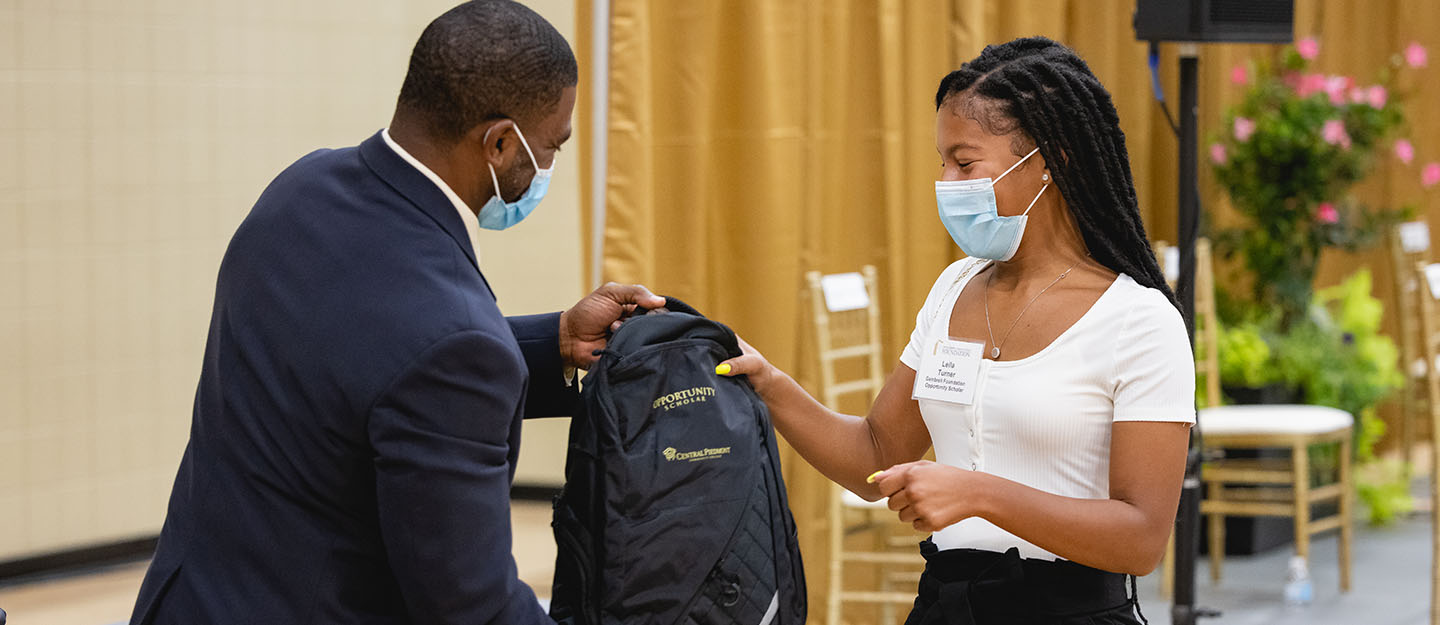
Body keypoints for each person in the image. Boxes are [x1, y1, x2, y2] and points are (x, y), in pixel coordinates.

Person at [128, 2, 665, 624]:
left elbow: (369, 363)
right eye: (552, 146)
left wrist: (561, 340)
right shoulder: (454, 342)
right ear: (498, 143)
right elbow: (471, 607)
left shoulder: (300, 190)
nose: (547, 166)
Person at [719, 37, 1194, 625]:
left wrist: (977, 494)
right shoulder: (954, 288)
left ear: (1052, 159)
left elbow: (1142, 540)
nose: (946, 181)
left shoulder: (1139, 322)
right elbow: (875, 454)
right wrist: (767, 382)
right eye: (942, 160)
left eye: (964, 163)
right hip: (947, 605)